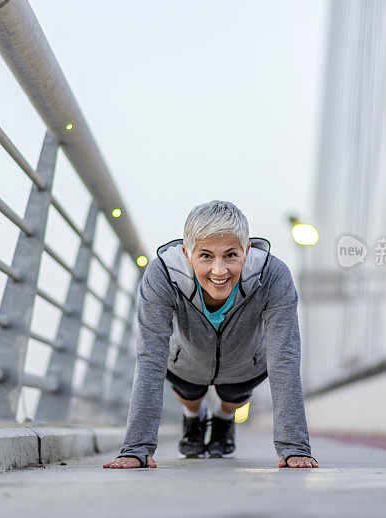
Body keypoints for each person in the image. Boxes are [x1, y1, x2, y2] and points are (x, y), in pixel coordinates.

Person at [103, 200, 318, 469]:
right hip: (186, 363)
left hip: (245, 365)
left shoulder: (273, 275)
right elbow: (150, 357)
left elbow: (284, 356)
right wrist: (136, 448)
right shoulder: (161, 275)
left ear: (247, 250)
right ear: (187, 253)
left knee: (232, 397)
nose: (219, 270)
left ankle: (223, 420)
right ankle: (194, 416)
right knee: (190, 394)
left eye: (231, 255)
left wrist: (294, 447)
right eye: (205, 256)